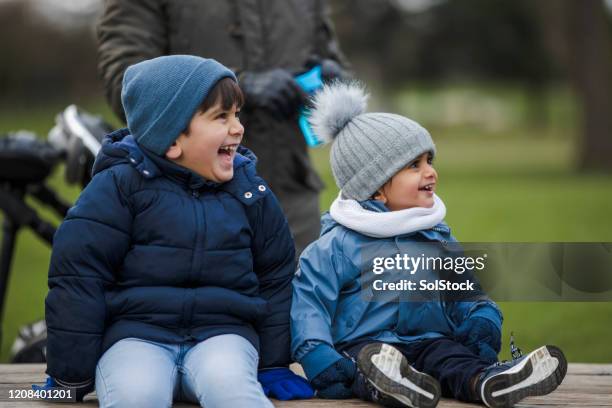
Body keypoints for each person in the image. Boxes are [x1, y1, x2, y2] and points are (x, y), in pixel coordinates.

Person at [37, 55, 312, 406]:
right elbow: (79, 275)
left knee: (233, 390)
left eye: (237, 114)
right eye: (221, 117)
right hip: (135, 337)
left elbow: (275, 275)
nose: (238, 128)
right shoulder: (119, 189)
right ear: (172, 140)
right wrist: (69, 371)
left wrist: (273, 363)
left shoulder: (250, 192)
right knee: (136, 395)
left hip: (224, 335)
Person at [290, 82, 567, 408]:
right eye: (414, 165)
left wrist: (481, 320)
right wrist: (321, 359)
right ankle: (390, 384)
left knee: (453, 359)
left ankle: (489, 382)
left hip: (429, 339)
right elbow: (310, 307)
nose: (430, 172)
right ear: (375, 188)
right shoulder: (336, 246)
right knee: (367, 364)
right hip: (363, 345)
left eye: (429, 160)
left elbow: (465, 290)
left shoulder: (435, 237)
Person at [97, 0, 349, 256]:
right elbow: (126, 84)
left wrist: (336, 80)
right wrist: (237, 88)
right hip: (189, 206)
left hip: (294, 208)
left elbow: (331, 59)